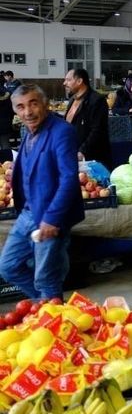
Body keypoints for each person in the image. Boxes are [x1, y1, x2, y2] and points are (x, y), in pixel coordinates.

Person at [0, 84, 84, 300]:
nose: (27, 112)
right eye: (20, 107)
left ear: (45, 104)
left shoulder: (62, 132)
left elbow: (69, 179)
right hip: (28, 213)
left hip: (50, 215)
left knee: (46, 277)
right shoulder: (28, 131)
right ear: (15, 110)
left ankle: (53, 321)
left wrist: (52, 219)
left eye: (33, 104)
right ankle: (48, 306)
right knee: (8, 267)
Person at [63, 69, 110, 166]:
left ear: (79, 81)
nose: (64, 83)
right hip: (73, 155)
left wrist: (82, 151)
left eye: (68, 80)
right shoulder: (72, 100)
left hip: (93, 159)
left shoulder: (97, 100)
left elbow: (97, 130)